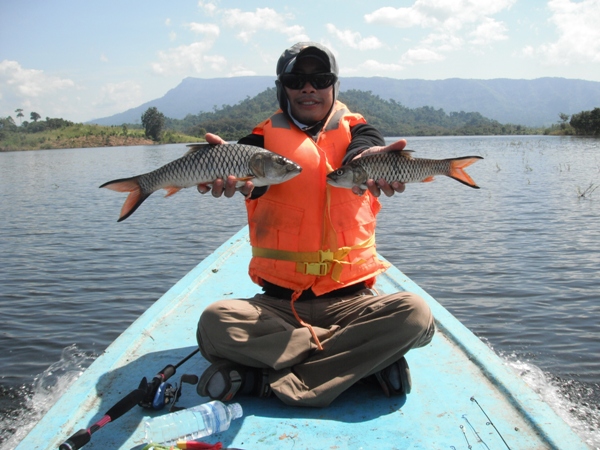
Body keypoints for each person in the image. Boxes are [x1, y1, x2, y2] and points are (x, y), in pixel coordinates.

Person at [195, 42, 435, 408]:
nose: (309, 88)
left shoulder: (360, 133)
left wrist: (369, 160)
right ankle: (357, 363)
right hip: (277, 307)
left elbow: (364, 150)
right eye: (297, 79)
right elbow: (246, 174)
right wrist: (220, 172)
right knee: (215, 324)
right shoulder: (258, 144)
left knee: (415, 316)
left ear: (333, 87)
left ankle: (264, 382)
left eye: (320, 79)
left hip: (350, 304)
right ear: (283, 87)